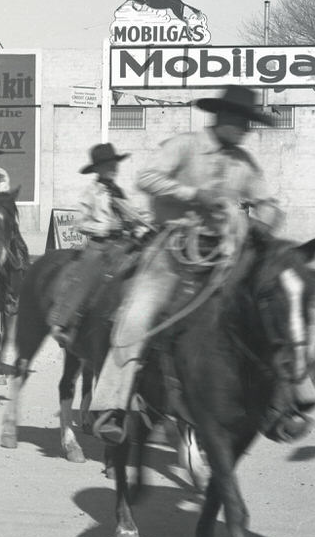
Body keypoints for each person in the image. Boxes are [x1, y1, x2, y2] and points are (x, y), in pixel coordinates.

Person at [88, 86, 282, 444]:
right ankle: (111, 407)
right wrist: (192, 194)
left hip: (224, 252)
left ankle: (284, 404)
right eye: (240, 122)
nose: (245, 130)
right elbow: (145, 178)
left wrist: (264, 221)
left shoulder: (245, 163)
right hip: (172, 250)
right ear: (221, 117)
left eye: (248, 124)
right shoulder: (184, 145)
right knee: (135, 316)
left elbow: (268, 202)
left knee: (273, 308)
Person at [46, 143, 152, 347]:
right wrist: (103, 227)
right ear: (97, 169)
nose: (112, 168)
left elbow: (136, 214)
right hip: (100, 245)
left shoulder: (121, 192)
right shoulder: (91, 193)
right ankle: (63, 323)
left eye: (114, 164)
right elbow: (80, 223)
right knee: (87, 274)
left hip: (125, 242)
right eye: (107, 165)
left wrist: (146, 225)